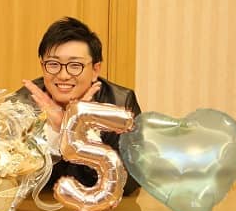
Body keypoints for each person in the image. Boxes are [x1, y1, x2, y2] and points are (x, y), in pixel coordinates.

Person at [14, 17, 141, 196]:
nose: (63, 75)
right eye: (53, 64)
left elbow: (131, 181)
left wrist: (78, 134)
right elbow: (18, 181)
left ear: (95, 70)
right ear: (43, 66)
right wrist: (57, 134)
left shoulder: (120, 105)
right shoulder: (23, 104)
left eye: (75, 65)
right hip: (37, 210)